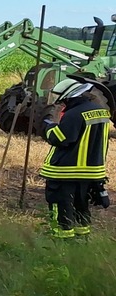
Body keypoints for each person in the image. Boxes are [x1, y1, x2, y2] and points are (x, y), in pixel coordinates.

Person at [40, 78, 111, 238]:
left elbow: (61, 138)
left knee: (61, 207)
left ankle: (61, 240)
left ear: (68, 97)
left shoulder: (74, 114)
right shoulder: (101, 111)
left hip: (66, 171)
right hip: (91, 172)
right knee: (81, 206)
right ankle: (82, 237)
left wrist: (49, 126)